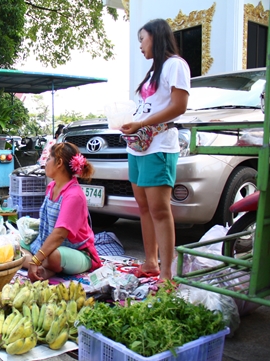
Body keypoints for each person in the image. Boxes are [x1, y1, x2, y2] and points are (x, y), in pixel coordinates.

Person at [120, 19, 190, 280]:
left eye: (142, 39)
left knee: (160, 209)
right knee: (143, 207)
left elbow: (178, 106)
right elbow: (147, 108)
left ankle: (168, 274)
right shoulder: (152, 73)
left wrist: (141, 123)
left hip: (159, 146)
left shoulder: (175, 65)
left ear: (156, 37)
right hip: (138, 148)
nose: (140, 45)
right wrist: (130, 122)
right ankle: (150, 262)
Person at [22, 142, 102, 282]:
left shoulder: (74, 195)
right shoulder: (51, 186)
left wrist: (35, 260)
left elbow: (59, 234)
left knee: (53, 256)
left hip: (76, 252)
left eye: (48, 159)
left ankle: (40, 266)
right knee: (15, 246)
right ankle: (44, 269)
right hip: (48, 244)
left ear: (59, 162)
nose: (45, 163)